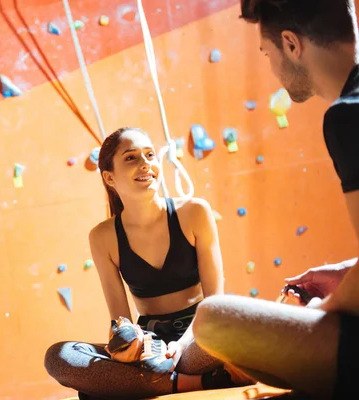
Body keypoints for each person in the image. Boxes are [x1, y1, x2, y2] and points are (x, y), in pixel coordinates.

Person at [191, 1, 359, 399]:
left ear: (291, 44)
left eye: (267, 54)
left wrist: (324, 310)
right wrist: (347, 270)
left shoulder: (347, 116)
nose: (270, 68)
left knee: (213, 319)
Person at [44, 127, 253, 399]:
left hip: (201, 335)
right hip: (150, 346)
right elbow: (119, 320)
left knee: (233, 327)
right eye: (131, 158)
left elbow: (216, 303)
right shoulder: (102, 237)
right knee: (59, 357)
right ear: (109, 177)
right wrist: (125, 349)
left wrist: (182, 344)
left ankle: (144, 382)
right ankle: (202, 382)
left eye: (150, 154)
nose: (146, 163)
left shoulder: (194, 212)